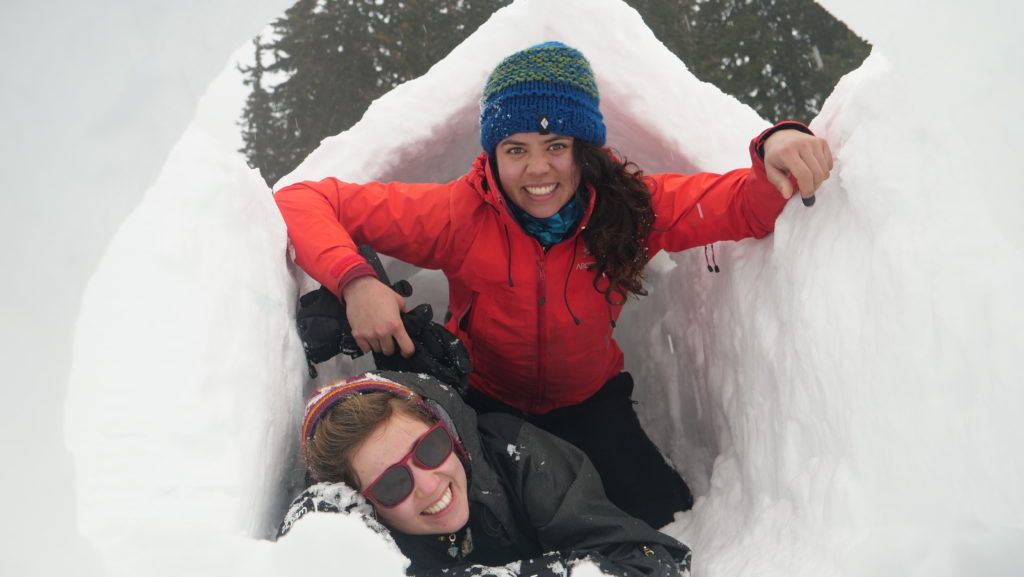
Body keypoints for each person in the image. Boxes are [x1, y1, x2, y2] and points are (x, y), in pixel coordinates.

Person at [274, 41, 833, 528]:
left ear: (582, 150)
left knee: (666, 516)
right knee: (495, 521)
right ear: (493, 155)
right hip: (486, 399)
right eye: (516, 149)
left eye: (555, 147)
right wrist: (356, 282)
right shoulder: (456, 214)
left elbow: (742, 205)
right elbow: (303, 200)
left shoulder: (633, 208)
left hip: (591, 402)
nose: (537, 170)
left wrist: (778, 142)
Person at [279, 372, 692, 577]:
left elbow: (652, 561)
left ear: (448, 432)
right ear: (364, 502)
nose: (429, 485)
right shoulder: (360, 536)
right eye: (391, 484)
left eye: (429, 449)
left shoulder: (519, 456)